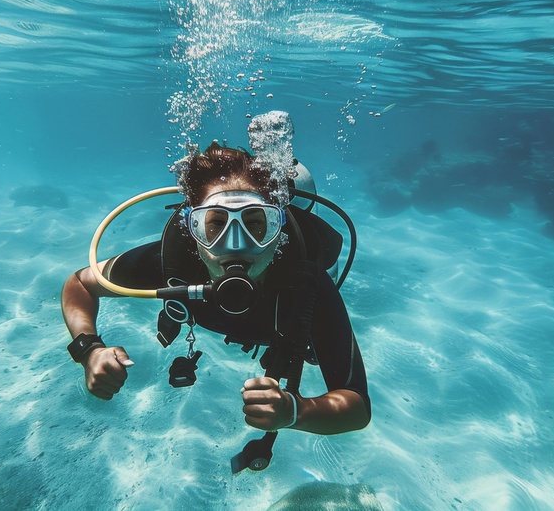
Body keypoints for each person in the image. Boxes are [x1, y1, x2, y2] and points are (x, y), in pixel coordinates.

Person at [61, 134, 370, 439]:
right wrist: (89, 350)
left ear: (278, 230)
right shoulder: (174, 262)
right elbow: (79, 285)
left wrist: (295, 411)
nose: (235, 245)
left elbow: (357, 406)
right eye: (216, 224)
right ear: (192, 229)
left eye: (255, 223)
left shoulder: (307, 286)